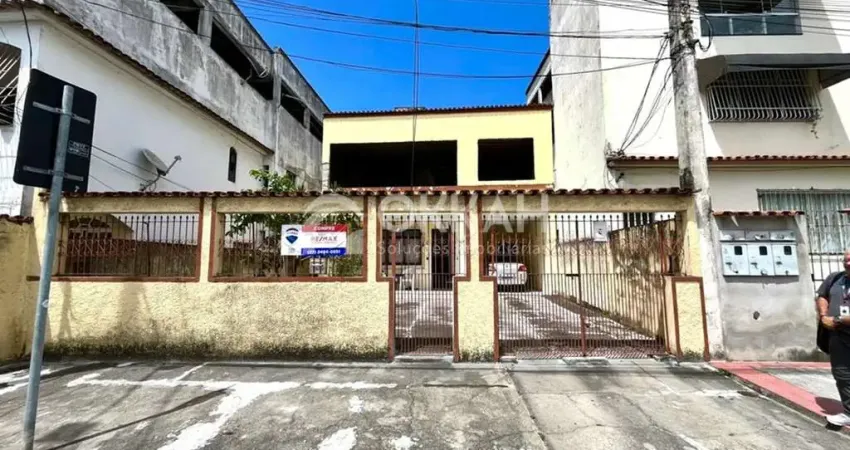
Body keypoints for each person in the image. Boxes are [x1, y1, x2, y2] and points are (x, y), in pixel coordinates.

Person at [816, 249, 850, 427]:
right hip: (838, 337)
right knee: (842, 374)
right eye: (845, 260)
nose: (848, 263)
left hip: (840, 327)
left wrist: (837, 319)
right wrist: (823, 316)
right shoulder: (835, 278)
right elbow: (822, 296)